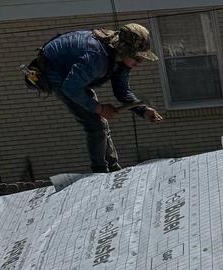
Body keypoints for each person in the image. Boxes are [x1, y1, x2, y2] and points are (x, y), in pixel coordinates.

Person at [28, 23, 163, 173]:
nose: (138, 63)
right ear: (124, 50)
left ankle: (113, 167)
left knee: (101, 122)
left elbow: (122, 91)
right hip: (57, 74)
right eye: (136, 58)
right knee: (95, 124)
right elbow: (71, 88)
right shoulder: (97, 58)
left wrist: (143, 110)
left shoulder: (121, 61)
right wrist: (99, 108)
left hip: (75, 75)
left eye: (142, 59)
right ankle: (99, 172)